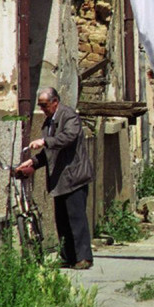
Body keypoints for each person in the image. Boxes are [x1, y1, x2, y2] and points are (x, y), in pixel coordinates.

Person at [15, 87, 94, 269]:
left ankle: (84, 258)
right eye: (40, 106)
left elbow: (68, 137)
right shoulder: (49, 121)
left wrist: (45, 141)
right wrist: (33, 163)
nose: (42, 109)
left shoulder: (69, 116)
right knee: (62, 219)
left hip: (74, 176)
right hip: (60, 178)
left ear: (55, 102)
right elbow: (49, 152)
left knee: (76, 218)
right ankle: (68, 257)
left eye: (44, 105)